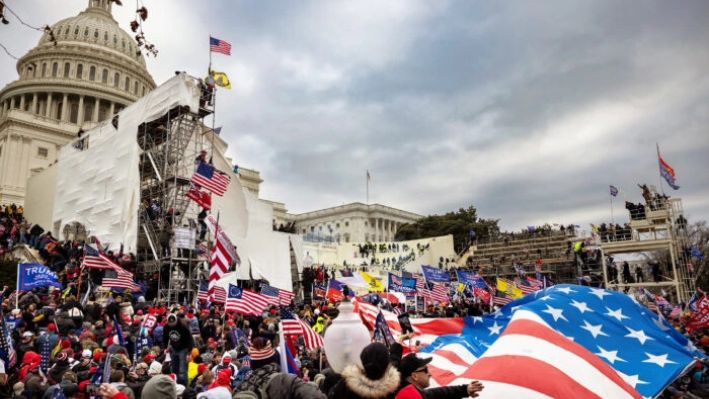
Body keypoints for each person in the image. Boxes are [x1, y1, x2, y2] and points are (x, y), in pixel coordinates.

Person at [328, 342, 400, 399]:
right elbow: (394, 362)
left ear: (362, 358)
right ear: (386, 365)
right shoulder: (390, 390)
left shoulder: (346, 384)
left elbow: (332, 396)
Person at [396, 353, 483, 399]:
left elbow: (438, 393)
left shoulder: (411, 392)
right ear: (414, 376)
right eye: (425, 370)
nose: (429, 374)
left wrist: (464, 389)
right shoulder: (409, 396)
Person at [163, 313, 194, 386]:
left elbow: (190, 339)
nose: (172, 325)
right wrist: (165, 348)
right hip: (174, 347)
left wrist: (189, 352)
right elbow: (165, 338)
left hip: (183, 348)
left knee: (182, 370)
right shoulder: (166, 327)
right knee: (174, 368)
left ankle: (185, 386)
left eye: (173, 323)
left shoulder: (183, 326)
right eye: (171, 324)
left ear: (176, 320)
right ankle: (175, 385)